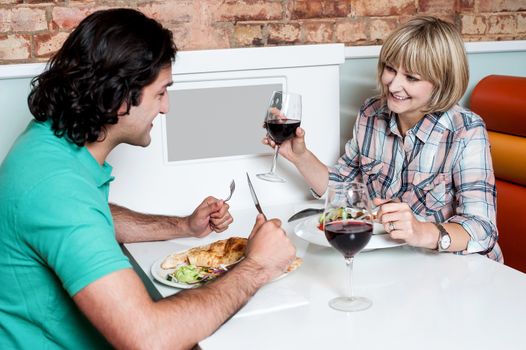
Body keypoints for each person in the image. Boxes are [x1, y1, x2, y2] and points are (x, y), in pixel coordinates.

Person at [0, 8, 296, 349]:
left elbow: (92, 216)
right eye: (160, 92)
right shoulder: (56, 188)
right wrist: (257, 266)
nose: (166, 107)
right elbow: (148, 340)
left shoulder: (49, 144)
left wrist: (183, 226)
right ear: (118, 95)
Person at [264, 16, 502, 262]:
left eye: (411, 78)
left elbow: (483, 229)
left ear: (442, 84)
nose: (393, 85)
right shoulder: (371, 113)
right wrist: (300, 157)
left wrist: (422, 232)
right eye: (390, 69)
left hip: (456, 268)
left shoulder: (466, 131)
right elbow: (341, 189)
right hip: (397, 260)